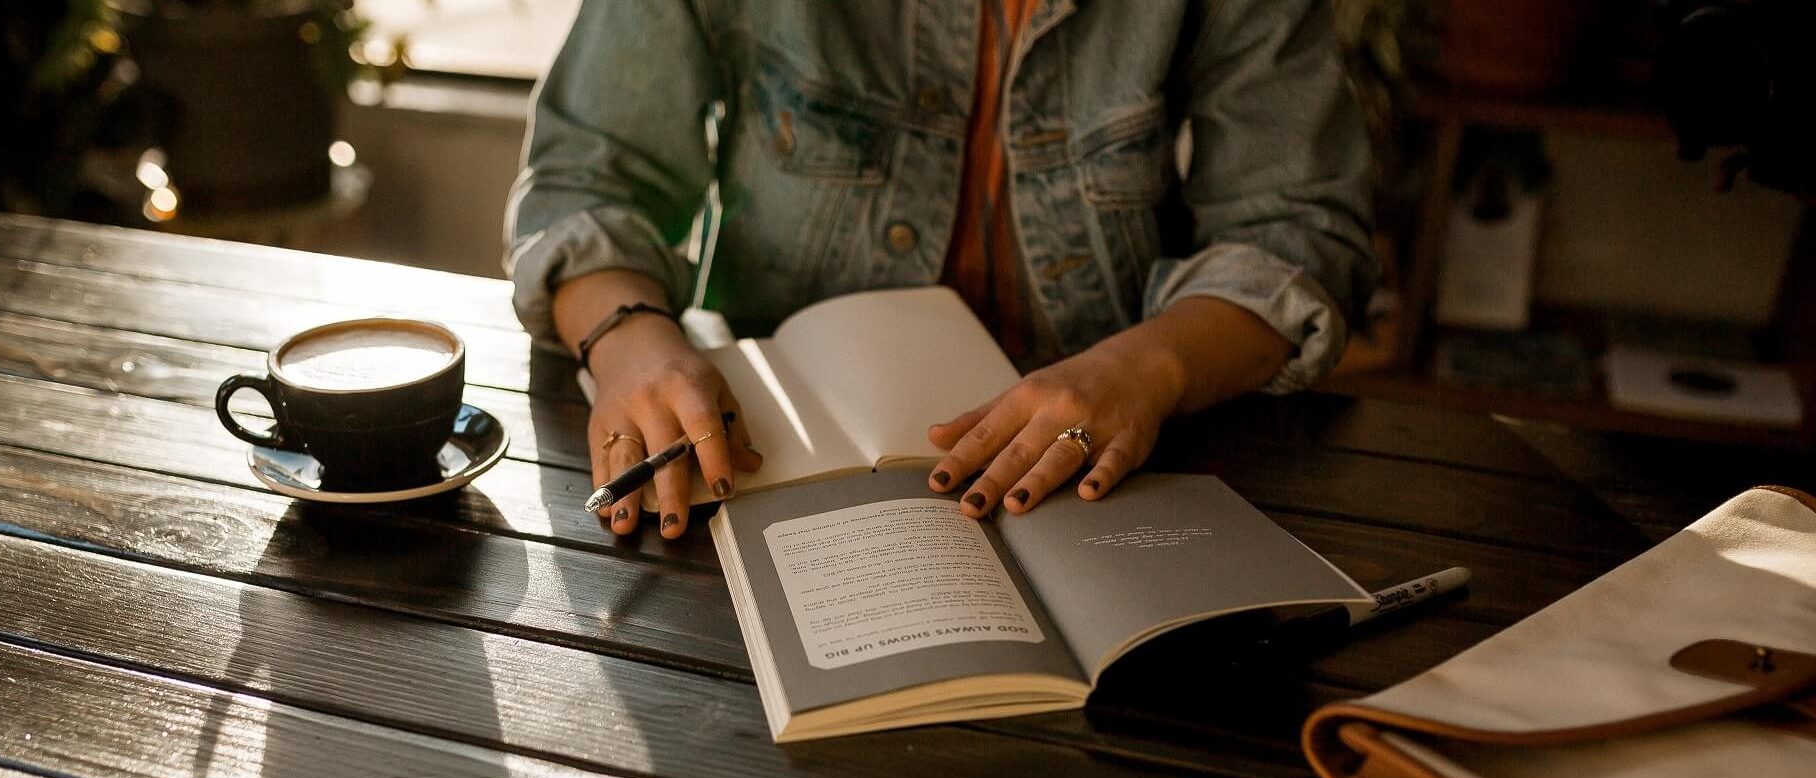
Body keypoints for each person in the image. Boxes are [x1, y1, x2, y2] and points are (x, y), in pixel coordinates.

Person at [506, 0, 1377, 538]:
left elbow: (1296, 232)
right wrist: (629, 340)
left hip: (1108, 476)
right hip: (767, 464)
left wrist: (1143, 369)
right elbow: (591, 171)